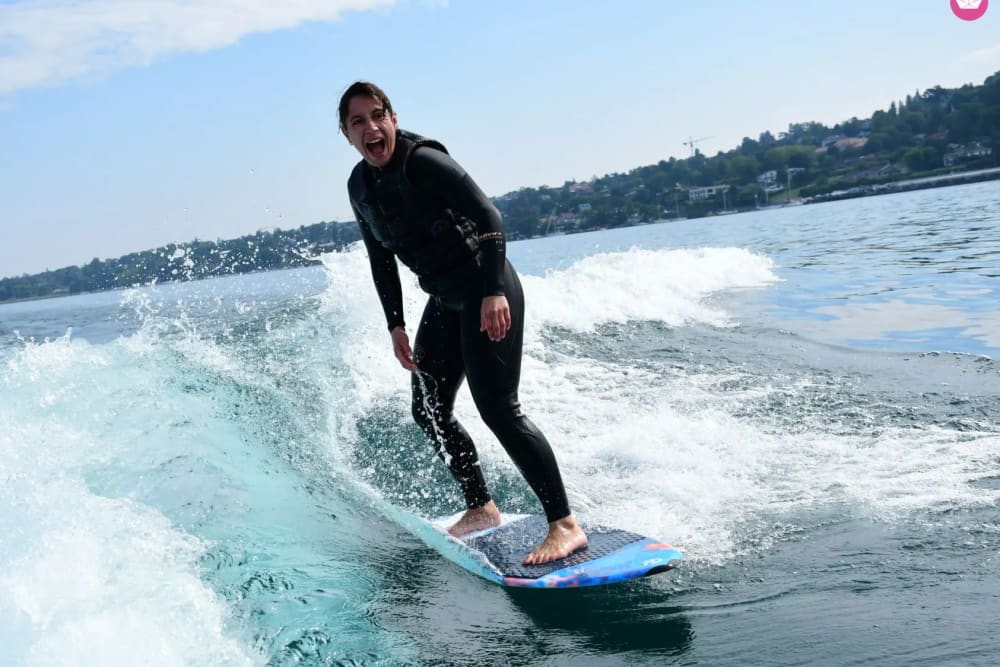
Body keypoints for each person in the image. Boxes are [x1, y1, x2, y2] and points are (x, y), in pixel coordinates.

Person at [338, 81, 587, 565]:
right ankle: (481, 507)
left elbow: (489, 216)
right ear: (346, 134)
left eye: (378, 115)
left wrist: (494, 289)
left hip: (486, 288)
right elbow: (380, 260)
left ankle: (564, 524)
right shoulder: (360, 186)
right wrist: (396, 325)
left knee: (498, 407)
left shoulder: (423, 162)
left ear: (392, 118)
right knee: (429, 408)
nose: (371, 127)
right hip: (446, 300)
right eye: (358, 121)